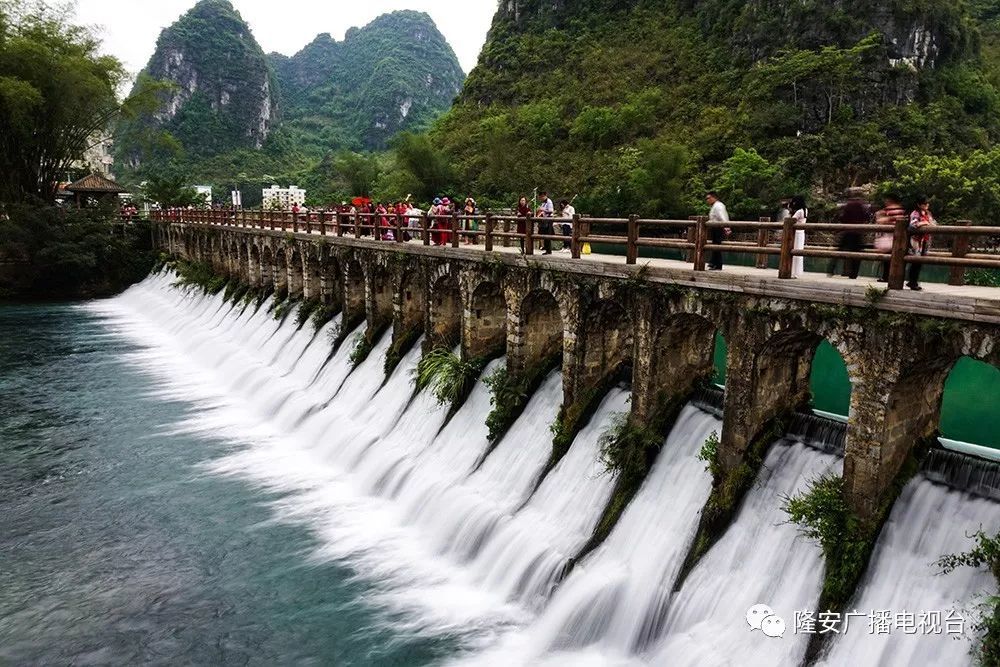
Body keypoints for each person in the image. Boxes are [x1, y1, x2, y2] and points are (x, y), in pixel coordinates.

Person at [829, 192, 868, 279]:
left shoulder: (849, 205)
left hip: (848, 231)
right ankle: (854, 273)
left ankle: (831, 269)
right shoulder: (862, 205)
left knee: (840, 250)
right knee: (857, 253)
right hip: (858, 232)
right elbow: (866, 217)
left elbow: (843, 218)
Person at [874, 193, 906, 282]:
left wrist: (882, 217)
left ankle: (886, 277)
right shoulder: (900, 209)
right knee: (893, 258)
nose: (885, 202)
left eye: (887, 200)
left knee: (888, 259)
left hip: (891, 237)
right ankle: (892, 277)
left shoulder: (891, 210)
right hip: (898, 237)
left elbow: (882, 221)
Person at [907, 196, 936, 290]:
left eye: (927, 203)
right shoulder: (915, 213)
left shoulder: (928, 213)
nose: (927, 205)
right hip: (916, 240)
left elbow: (933, 224)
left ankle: (913, 281)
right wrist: (924, 223)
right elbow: (912, 225)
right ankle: (913, 282)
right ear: (919, 204)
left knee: (920, 262)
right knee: (916, 261)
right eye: (924, 203)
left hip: (925, 240)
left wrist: (926, 223)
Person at [705, 191, 730, 270]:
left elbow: (723, 216)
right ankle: (713, 262)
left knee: (717, 246)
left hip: (718, 227)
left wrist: (726, 227)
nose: (707, 200)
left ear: (713, 197)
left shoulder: (719, 206)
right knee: (715, 245)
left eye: (708, 198)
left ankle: (717, 264)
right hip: (715, 227)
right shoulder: (715, 206)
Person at [790, 195, 808, 278]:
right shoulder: (805, 210)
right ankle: (797, 272)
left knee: (794, 252)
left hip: (796, 233)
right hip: (802, 232)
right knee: (799, 252)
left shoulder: (799, 212)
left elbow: (791, 221)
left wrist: (790, 211)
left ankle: (793, 272)